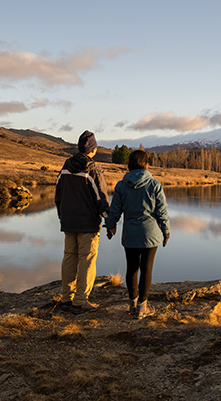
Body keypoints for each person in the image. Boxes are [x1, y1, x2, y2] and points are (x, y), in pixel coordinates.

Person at [105, 149, 170, 319]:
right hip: (151, 233)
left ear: (130, 165)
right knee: (146, 268)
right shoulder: (154, 185)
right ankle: (142, 307)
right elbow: (162, 211)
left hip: (130, 234)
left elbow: (115, 210)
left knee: (132, 268)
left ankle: (132, 304)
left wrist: (110, 226)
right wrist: (166, 230)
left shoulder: (121, 185)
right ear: (146, 164)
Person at [55, 130, 109, 314]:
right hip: (88, 224)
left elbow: (58, 195)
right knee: (86, 260)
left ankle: (66, 298)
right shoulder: (93, 170)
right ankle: (81, 301)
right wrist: (109, 222)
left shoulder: (65, 167)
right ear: (93, 150)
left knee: (69, 257)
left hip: (68, 222)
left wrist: (62, 216)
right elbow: (101, 199)